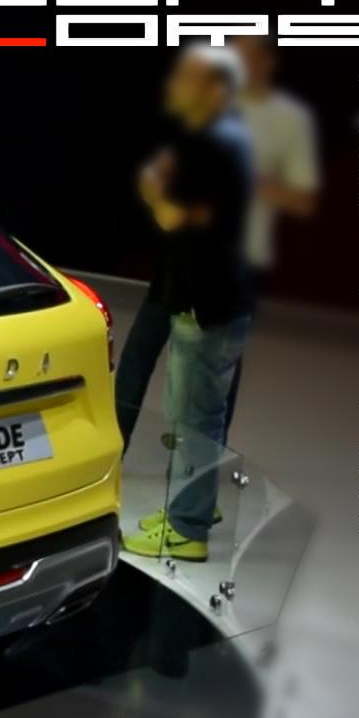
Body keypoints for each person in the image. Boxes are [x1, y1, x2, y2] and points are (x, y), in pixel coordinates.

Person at [121, 47, 255, 562]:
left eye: (189, 79)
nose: (176, 85)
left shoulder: (212, 144)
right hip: (222, 297)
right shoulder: (228, 137)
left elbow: (174, 216)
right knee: (206, 415)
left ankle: (186, 529)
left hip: (205, 303)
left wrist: (153, 189)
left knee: (195, 419)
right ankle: (195, 506)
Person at [227, 34, 320, 418]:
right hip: (187, 250)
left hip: (242, 256)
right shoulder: (215, 105)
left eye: (246, 56)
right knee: (147, 350)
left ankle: (211, 446)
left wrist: (248, 181)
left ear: (268, 62)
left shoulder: (290, 119)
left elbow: (302, 200)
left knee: (222, 361)